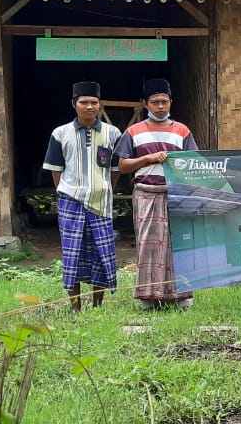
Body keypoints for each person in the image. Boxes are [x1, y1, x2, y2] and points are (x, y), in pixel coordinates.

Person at [115, 79, 200, 310]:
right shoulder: (133, 132)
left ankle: (182, 297)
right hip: (146, 192)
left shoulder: (182, 131)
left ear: (171, 102)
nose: (160, 106)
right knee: (148, 244)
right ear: (145, 104)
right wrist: (147, 159)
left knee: (180, 243)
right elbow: (122, 166)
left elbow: (194, 163)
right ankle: (149, 298)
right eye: (154, 102)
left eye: (164, 101)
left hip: (175, 194)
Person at [43, 82, 123, 312]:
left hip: (101, 202)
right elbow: (56, 170)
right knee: (72, 253)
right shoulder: (60, 133)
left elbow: (115, 170)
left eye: (94, 102)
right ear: (74, 104)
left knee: (101, 253)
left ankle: (97, 305)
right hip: (70, 201)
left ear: (100, 105)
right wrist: (66, 192)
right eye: (83, 102)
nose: (89, 106)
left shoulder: (112, 133)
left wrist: (105, 189)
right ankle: (75, 307)